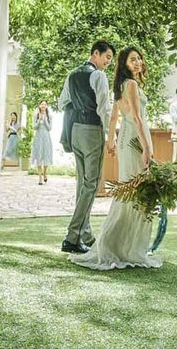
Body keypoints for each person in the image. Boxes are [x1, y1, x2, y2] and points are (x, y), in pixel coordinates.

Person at [71, 46, 163, 270]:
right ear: (124, 64)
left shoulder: (120, 85)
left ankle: (122, 245)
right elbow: (137, 118)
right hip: (134, 140)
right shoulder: (131, 84)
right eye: (133, 60)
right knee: (134, 192)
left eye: (139, 58)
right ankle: (124, 246)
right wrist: (147, 148)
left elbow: (114, 118)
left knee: (128, 191)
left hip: (125, 139)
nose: (138, 62)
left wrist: (111, 141)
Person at [59, 40, 115, 254]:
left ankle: (86, 234)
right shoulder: (98, 76)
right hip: (92, 131)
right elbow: (104, 108)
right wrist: (111, 135)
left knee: (82, 184)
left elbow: (62, 102)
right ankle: (72, 237)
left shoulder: (72, 75)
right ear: (96, 53)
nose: (108, 62)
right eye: (107, 57)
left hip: (75, 131)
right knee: (91, 185)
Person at [31, 100, 53, 184]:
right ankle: (40, 177)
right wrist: (39, 119)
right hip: (38, 137)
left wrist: (45, 120)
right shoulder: (36, 115)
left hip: (46, 137)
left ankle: (45, 173)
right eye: (42, 104)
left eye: (45, 104)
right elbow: (34, 127)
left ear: (47, 106)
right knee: (39, 156)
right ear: (39, 106)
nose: (43, 105)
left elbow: (49, 128)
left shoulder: (49, 116)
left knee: (46, 155)